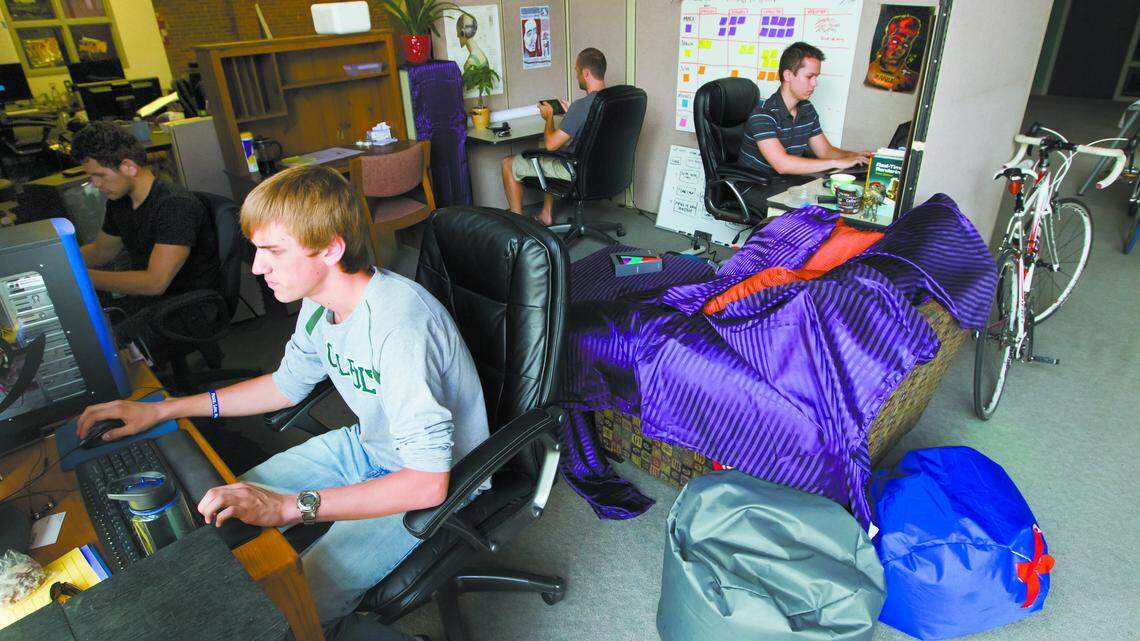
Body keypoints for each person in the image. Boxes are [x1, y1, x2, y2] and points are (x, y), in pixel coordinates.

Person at [76, 165, 490, 641]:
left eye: (273, 251)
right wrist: (162, 408)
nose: (256, 268)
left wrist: (291, 508)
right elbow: (284, 386)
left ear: (331, 247)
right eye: (256, 250)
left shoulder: (399, 328)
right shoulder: (320, 300)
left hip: (435, 477)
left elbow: (427, 485)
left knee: (285, 603)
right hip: (369, 446)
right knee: (216, 512)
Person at [74, 121, 220, 306]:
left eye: (100, 175)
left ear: (128, 167)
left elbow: (155, 283)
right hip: (151, 303)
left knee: (96, 331)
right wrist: (62, 262)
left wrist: (80, 277)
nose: (94, 184)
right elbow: (101, 250)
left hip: (186, 308)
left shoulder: (174, 205)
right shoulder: (119, 202)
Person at [737, 42, 871, 209]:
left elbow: (825, 151)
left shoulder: (806, 109)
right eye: (809, 77)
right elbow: (782, 164)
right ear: (788, 75)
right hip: (756, 187)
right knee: (815, 215)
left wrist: (856, 156)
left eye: (816, 77)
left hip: (787, 182)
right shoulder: (764, 114)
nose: (814, 84)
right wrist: (837, 163)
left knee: (839, 201)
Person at [501, 47, 606, 226]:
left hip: (574, 170)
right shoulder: (610, 100)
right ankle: (546, 214)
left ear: (586, 73)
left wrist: (548, 118)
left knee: (508, 163)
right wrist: (571, 115)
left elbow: (551, 145)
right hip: (601, 169)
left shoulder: (581, 107)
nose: (577, 76)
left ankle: (518, 226)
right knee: (548, 156)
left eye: (577, 71)